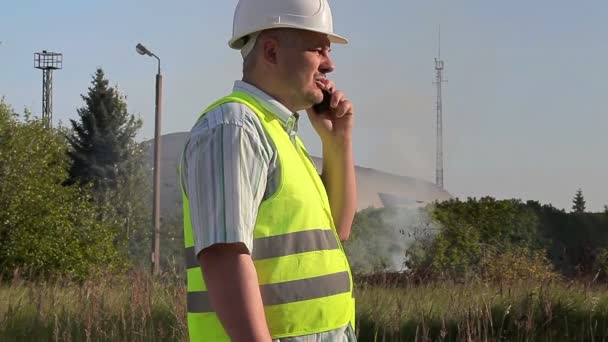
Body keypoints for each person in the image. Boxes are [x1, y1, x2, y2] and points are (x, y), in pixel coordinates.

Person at [180, 0, 357, 340]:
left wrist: (339, 142)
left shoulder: (279, 133)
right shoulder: (234, 128)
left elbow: (341, 229)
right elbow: (224, 256)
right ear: (272, 51)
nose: (330, 64)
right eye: (318, 49)